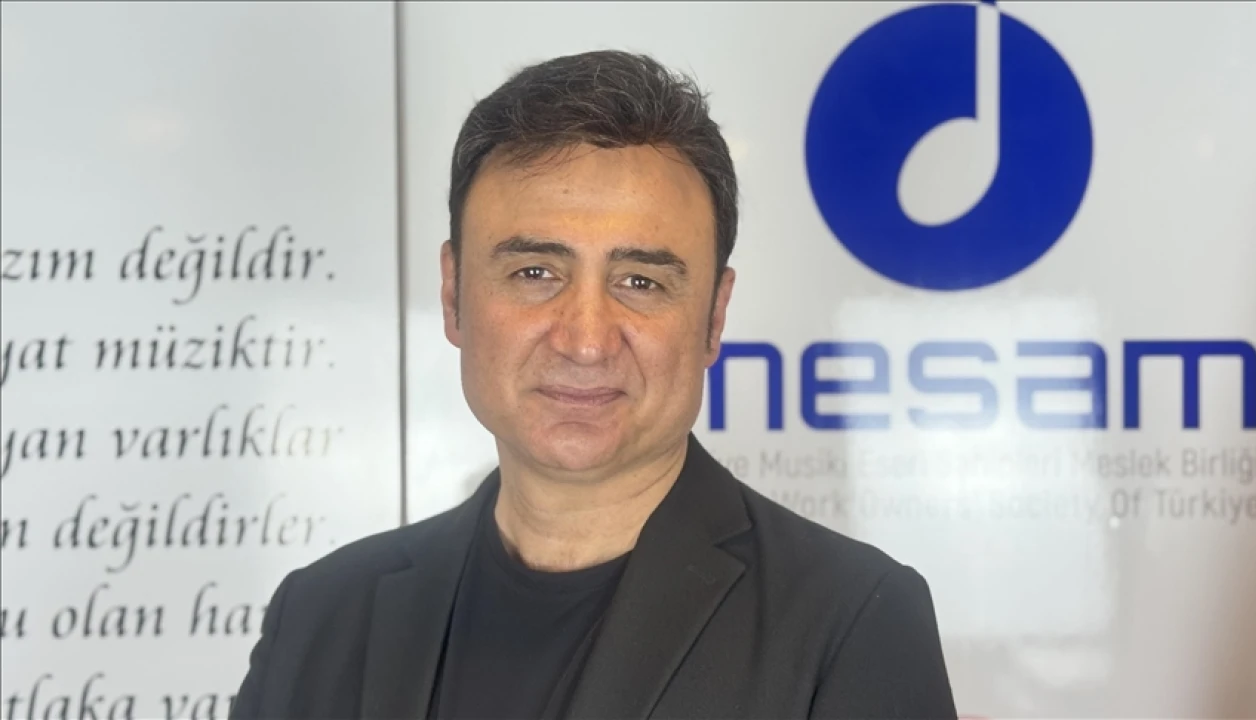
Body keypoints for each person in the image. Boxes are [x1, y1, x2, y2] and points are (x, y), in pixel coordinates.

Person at [230, 49, 957, 720]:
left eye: (640, 282)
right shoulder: (320, 616)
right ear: (454, 296)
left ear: (713, 317)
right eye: (535, 273)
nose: (585, 340)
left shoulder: (850, 620)